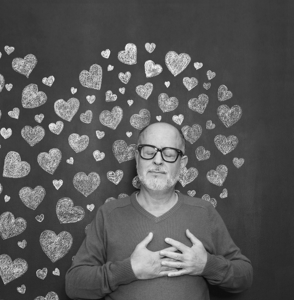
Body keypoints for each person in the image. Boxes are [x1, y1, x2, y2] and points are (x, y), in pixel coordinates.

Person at [65, 122, 253, 299]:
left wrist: (206, 265)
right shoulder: (109, 214)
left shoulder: (204, 212)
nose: (157, 160)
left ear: (182, 162)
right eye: (149, 151)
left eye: (169, 154)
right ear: (137, 158)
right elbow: (74, 285)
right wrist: (129, 269)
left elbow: (244, 277)